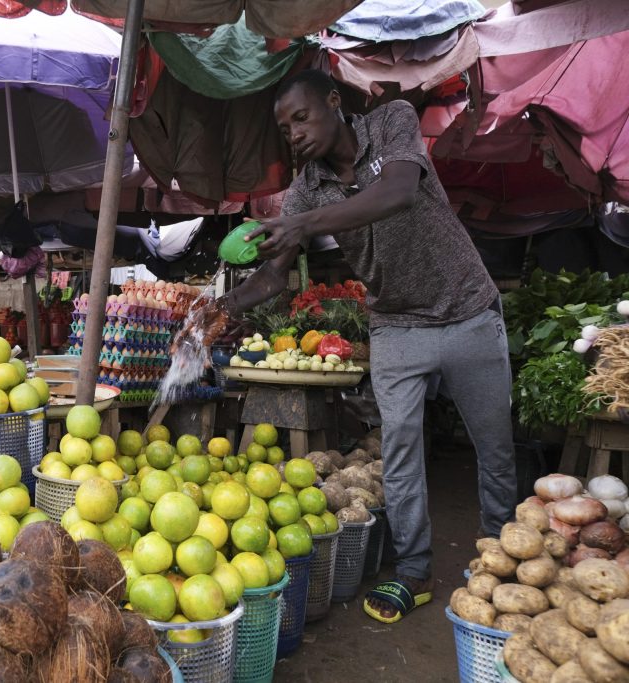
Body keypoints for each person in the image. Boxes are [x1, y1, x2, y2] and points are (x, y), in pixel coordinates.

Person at [185, 70, 516, 623]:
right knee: (402, 454)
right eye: (284, 126)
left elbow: (399, 191)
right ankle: (414, 572)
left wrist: (302, 224)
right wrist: (218, 312)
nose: (294, 133)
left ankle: (500, 564)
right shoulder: (307, 188)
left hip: (467, 310)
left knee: (495, 448)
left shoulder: (392, 123)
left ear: (334, 103)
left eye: (301, 117)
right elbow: (271, 279)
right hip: (396, 324)